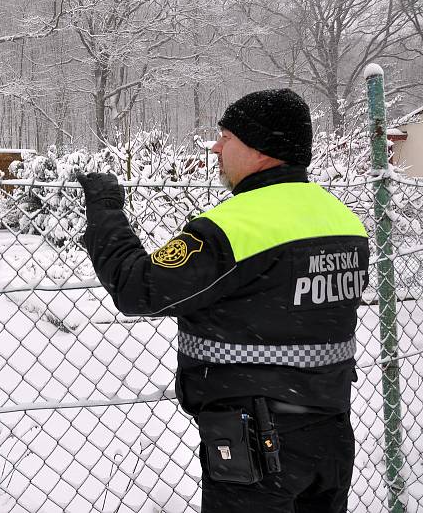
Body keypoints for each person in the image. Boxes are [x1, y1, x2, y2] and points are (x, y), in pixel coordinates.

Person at [77, 88, 368, 513]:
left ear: (259, 147)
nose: (216, 148)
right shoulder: (343, 220)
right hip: (332, 431)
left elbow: (138, 288)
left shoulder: (233, 227)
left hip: (259, 445)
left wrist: (105, 211)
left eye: (226, 137)